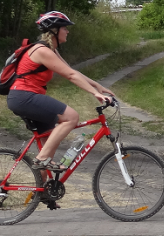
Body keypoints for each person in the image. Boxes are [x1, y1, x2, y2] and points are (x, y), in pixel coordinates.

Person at [6, 11, 115, 171]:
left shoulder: (50, 50)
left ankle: (43, 193)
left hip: (27, 96)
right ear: (55, 30)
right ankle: (41, 159)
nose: (68, 31)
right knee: (71, 117)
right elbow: (70, 76)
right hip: (23, 96)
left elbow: (71, 70)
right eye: (65, 28)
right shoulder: (42, 51)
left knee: (48, 146)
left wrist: (97, 86)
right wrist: (95, 93)